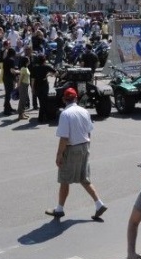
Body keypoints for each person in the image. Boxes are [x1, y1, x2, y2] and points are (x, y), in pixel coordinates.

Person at [46, 88, 107, 220]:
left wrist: (59, 155)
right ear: (76, 98)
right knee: (84, 178)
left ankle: (59, 209)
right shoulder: (84, 111)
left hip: (71, 149)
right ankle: (99, 204)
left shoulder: (65, 114)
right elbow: (89, 131)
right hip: (84, 146)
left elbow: (64, 138)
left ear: (64, 100)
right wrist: (87, 146)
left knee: (64, 179)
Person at [30, 54, 56, 123]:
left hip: (37, 87)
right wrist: (48, 75)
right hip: (44, 87)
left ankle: (45, 116)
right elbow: (55, 72)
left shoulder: (34, 68)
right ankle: (41, 117)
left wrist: (32, 88)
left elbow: (33, 79)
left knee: (42, 102)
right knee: (44, 102)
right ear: (44, 60)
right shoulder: (46, 67)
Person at [2, 47, 17, 115]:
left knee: (7, 93)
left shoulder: (5, 59)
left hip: (5, 77)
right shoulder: (11, 60)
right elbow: (12, 71)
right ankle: (6, 110)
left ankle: (8, 107)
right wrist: (18, 72)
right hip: (9, 79)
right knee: (8, 94)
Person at [17, 56, 31, 120]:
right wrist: (19, 85)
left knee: (24, 99)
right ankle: (20, 114)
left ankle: (23, 112)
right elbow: (21, 78)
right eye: (28, 60)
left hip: (26, 85)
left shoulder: (26, 68)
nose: (29, 61)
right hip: (23, 85)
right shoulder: (23, 69)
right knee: (22, 100)